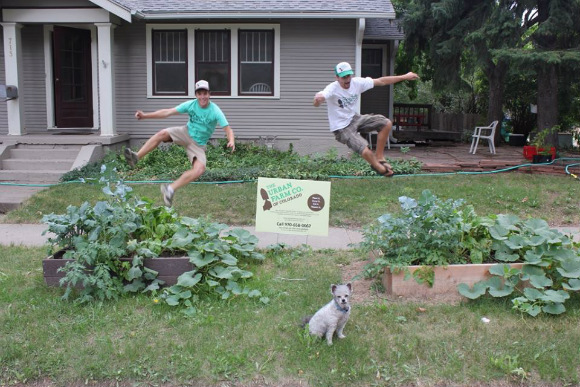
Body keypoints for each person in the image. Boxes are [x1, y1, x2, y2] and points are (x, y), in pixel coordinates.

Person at [125, 80, 235, 206]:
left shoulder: (215, 110)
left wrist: (231, 140)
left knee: (199, 169)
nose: (202, 97)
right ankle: (136, 157)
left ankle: (170, 189)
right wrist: (145, 116)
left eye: (205, 93)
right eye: (200, 94)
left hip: (198, 145)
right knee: (162, 133)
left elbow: (228, 129)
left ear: (209, 94)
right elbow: (167, 112)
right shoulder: (191, 105)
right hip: (185, 133)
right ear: (196, 95)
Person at [313, 62, 419, 177]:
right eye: (343, 77)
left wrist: (405, 76)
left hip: (354, 119)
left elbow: (382, 81)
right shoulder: (332, 88)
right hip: (341, 128)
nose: (347, 80)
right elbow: (320, 97)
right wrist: (318, 100)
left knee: (386, 123)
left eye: (348, 76)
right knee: (364, 148)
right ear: (337, 78)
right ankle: (380, 169)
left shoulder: (357, 83)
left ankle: (379, 157)